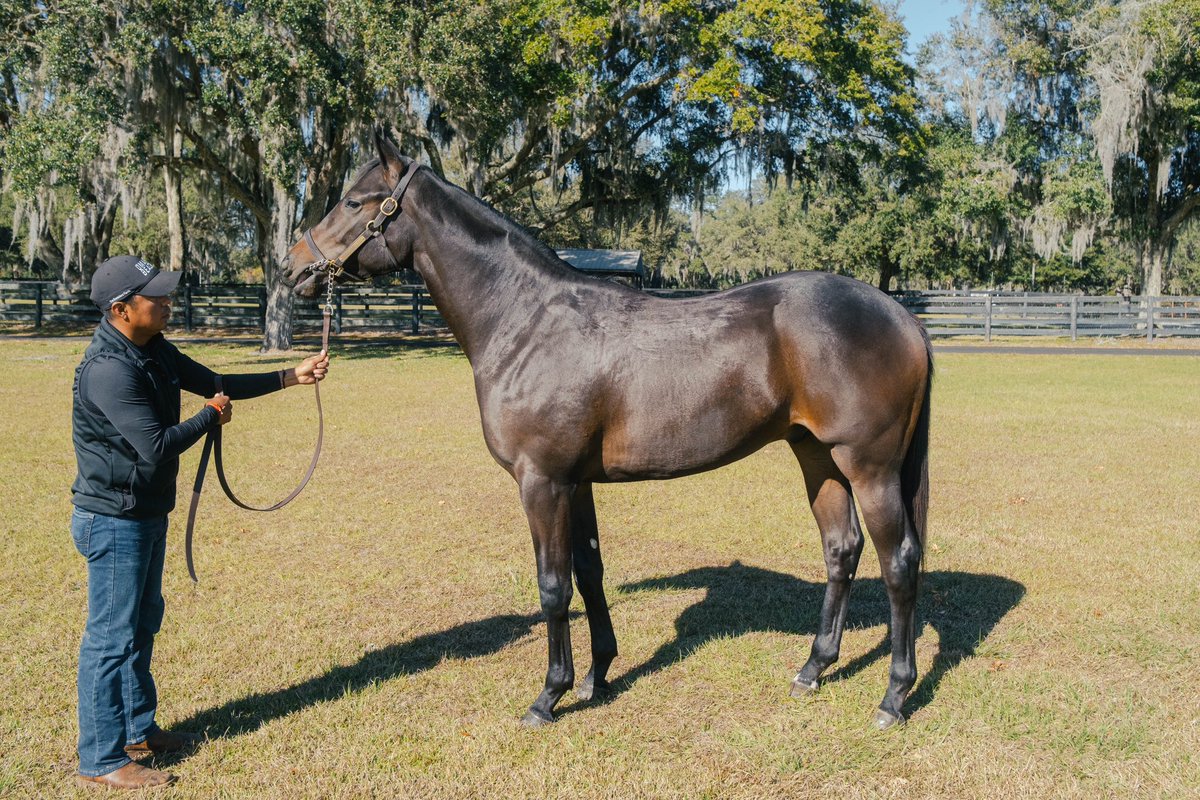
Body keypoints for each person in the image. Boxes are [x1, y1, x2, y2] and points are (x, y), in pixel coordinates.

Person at [70, 255, 329, 789]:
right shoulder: (110, 370)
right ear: (122, 310)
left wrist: (289, 377)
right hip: (115, 521)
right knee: (110, 639)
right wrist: (209, 415)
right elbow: (155, 447)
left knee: (142, 626)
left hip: (143, 515)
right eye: (156, 298)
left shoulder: (151, 348)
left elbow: (212, 379)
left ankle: (140, 732)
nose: (167, 303)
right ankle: (101, 759)